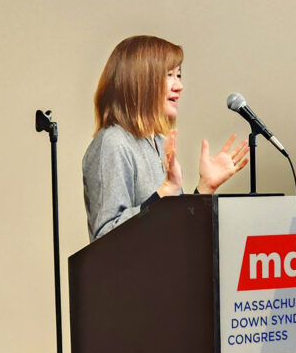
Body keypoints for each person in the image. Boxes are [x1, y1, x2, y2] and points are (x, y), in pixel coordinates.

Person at [82, 35, 249, 241]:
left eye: (179, 75)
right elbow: (105, 237)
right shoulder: (113, 142)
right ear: (139, 81)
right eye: (169, 75)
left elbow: (174, 229)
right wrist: (163, 194)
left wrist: (205, 187)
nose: (179, 86)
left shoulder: (160, 143)